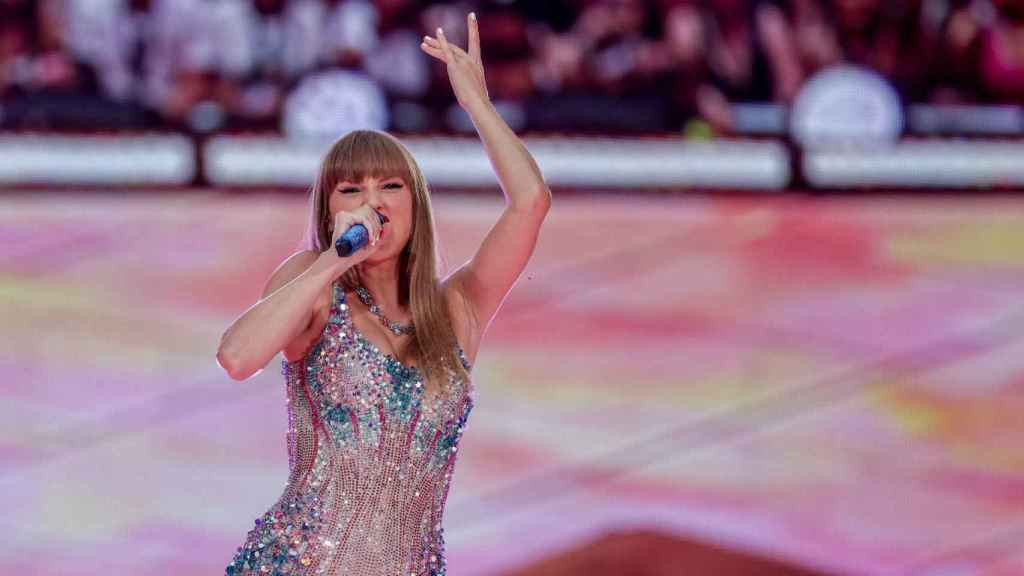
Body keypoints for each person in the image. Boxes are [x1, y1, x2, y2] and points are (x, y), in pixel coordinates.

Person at [215, 12, 551, 575]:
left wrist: (477, 105)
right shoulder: (315, 286)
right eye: (352, 189)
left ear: (415, 204)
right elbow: (236, 355)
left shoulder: (456, 308)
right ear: (330, 210)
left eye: (390, 186)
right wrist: (333, 259)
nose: (374, 201)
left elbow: (531, 202)